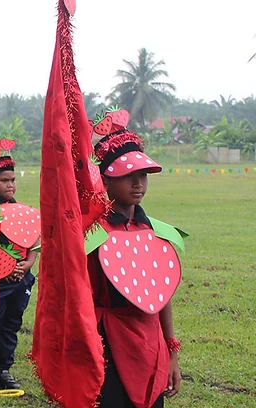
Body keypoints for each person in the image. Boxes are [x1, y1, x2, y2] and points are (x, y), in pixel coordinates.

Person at [89, 126, 183, 408]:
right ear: (105, 181)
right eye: (127, 176)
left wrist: (171, 352)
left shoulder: (156, 232)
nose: (138, 183)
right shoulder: (92, 234)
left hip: (149, 344)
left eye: (141, 175)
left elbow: (161, 297)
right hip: (107, 345)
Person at [0, 155, 39, 391]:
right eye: (4, 180)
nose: (10, 185)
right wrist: (5, 267)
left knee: (11, 324)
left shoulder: (22, 210)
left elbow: (33, 242)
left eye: (12, 180)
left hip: (20, 280)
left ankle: (3, 369)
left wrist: (28, 264)